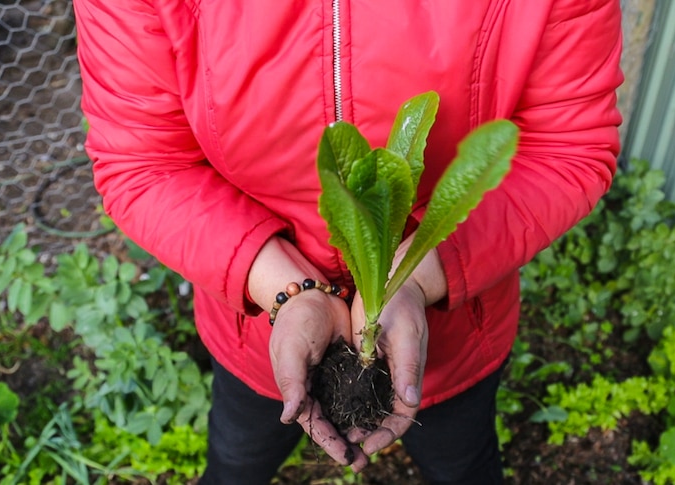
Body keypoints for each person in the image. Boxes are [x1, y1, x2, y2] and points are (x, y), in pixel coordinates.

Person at [73, 1, 623, 483]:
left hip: (449, 334)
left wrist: (414, 278)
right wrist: (287, 292)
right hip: (259, 333)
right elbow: (145, 163)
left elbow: (564, 146)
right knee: (237, 461)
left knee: (463, 463)